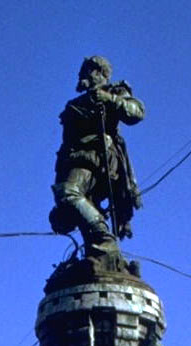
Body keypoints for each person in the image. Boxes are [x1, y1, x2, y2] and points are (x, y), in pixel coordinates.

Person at [49, 56, 145, 254]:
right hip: (74, 158)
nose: (81, 76)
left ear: (101, 73)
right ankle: (98, 250)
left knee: (69, 191)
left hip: (98, 157)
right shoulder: (74, 105)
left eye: (87, 71)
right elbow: (66, 142)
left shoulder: (114, 91)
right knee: (71, 203)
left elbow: (136, 113)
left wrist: (110, 99)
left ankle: (103, 235)